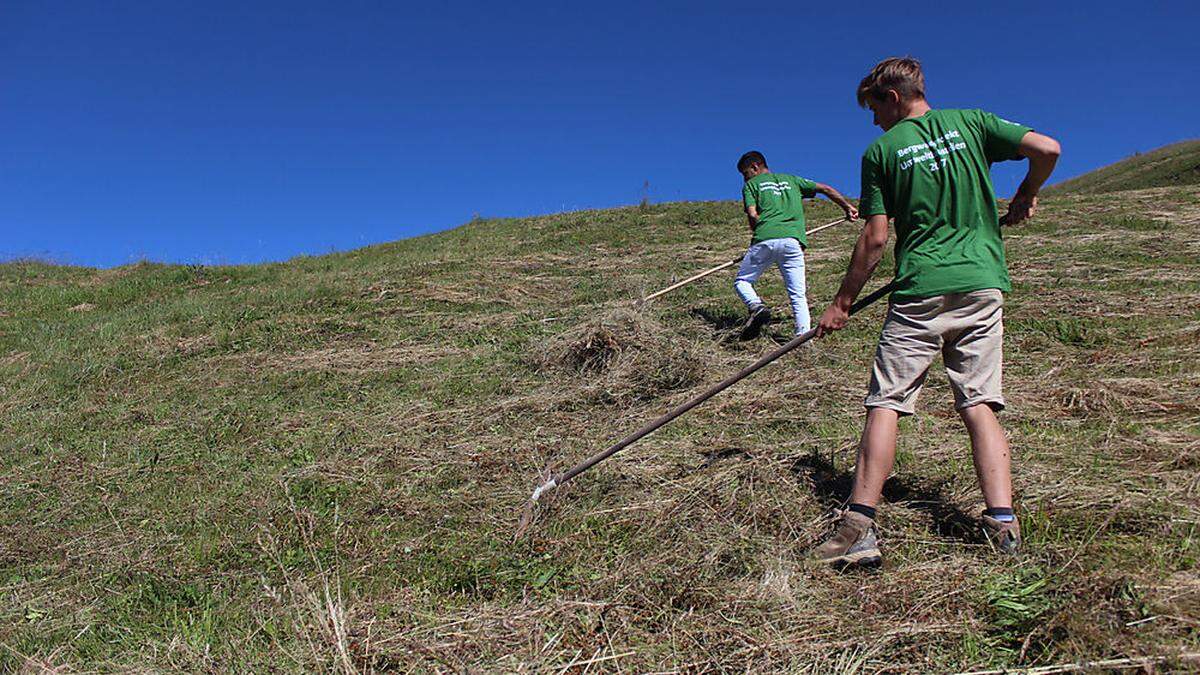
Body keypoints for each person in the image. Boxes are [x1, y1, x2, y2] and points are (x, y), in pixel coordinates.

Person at [811, 57, 1061, 568]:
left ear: (892, 97)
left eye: (874, 108)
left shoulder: (882, 151)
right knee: (979, 402)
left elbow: (876, 236)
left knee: (887, 401)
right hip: (980, 285)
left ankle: (859, 528)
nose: (874, 121)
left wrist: (841, 303)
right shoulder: (973, 122)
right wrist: (1027, 192)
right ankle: (1002, 526)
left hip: (920, 290)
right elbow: (1048, 148)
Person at [736, 151, 858, 338]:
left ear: (755, 167)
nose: (745, 179)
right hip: (793, 242)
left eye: (746, 174)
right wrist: (847, 207)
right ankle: (802, 339)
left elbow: (752, 214)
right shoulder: (792, 180)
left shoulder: (751, 186)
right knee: (798, 295)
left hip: (764, 239)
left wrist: (760, 231)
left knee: (742, 281)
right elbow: (825, 188)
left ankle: (756, 305)